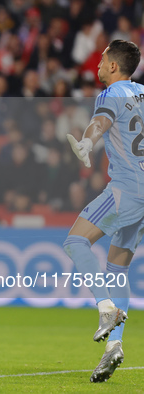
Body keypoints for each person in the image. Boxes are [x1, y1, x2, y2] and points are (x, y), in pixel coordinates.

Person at [64, 40, 144, 383]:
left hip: (127, 189)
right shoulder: (141, 92)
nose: (97, 63)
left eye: (102, 58)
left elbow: (100, 122)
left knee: (75, 242)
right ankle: (114, 346)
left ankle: (105, 308)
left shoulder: (112, 93)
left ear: (114, 66)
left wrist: (86, 142)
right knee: (117, 269)